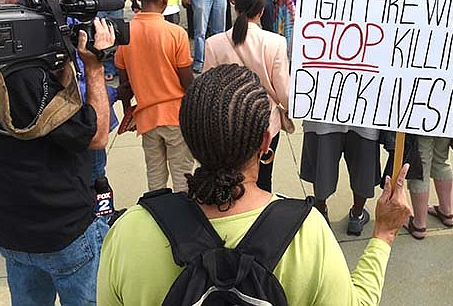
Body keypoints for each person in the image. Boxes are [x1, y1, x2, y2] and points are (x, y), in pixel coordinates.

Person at [98, 63, 412, 305]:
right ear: (265, 141)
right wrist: (384, 233)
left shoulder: (127, 232)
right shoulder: (307, 233)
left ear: (188, 140)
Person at [0, 0, 114, 304]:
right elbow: (96, 137)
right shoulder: (28, 80)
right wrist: (94, 67)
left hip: (11, 233)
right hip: (63, 233)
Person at [300, 0, 382, 236]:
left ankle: (321, 211)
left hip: (324, 111)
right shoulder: (376, 6)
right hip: (363, 110)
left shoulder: (311, 7)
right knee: (363, 168)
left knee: (322, 165)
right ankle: (357, 215)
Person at [203, 0, 290, 192]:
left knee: (228, 177)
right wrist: (289, 110)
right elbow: (284, 91)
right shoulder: (275, 42)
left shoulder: (213, 44)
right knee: (263, 179)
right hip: (266, 123)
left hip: (226, 123)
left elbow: (208, 90)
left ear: (235, 8)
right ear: (261, 12)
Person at [115, 0, 195, 193]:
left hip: (146, 118)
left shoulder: (126, 34)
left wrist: (128, 113)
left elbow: (124, 86)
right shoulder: (176, 34)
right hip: (176, 116)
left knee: (155, 178)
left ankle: (157, 219)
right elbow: (188, 83)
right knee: (183, 178)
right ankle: (182, 222)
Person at [400, 0, 453, 240]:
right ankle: (447, 212)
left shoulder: (419, 25)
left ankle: (420, 223)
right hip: (451, 106)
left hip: (422, 105)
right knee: (441, 158)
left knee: (420, 162)